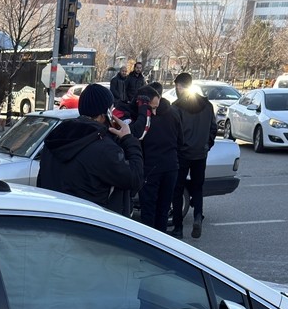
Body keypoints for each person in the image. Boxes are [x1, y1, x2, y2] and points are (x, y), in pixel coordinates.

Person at [37, 83, 143, 216]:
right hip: (90, 226)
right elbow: (135, 179)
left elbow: (41, 182)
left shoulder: (54, 138)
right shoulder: (104, 149)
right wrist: (128, 139)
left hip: (54, 220)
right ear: (106, 114)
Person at [169, 72, 218, 239]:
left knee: (177, 189)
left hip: (182, 154)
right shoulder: (207, 105)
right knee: (198, 187)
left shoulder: (176, 107)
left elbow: (173, 132)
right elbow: (213, 128)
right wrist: (206, 146)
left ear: (179, 86)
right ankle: (198, 216)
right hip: (200, 153)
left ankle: (178, 228)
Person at [130, 87, 181, 233]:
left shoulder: (144, 116)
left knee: (148, 210)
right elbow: (180, 141)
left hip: (151, 167)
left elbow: (137, 138)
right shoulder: (173, 113)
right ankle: (161, 245)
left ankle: (148, 245)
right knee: (163, 210)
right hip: (171, 166)